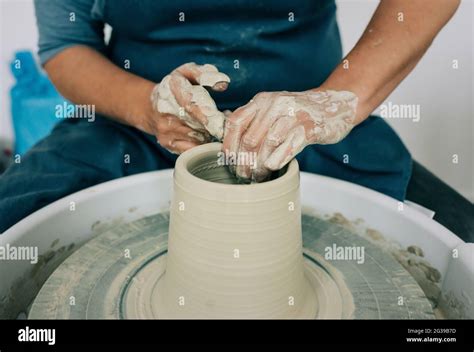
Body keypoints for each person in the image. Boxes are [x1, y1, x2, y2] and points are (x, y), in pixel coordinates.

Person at [0, 0, 471, 241]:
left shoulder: (318, 111)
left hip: (307, 121)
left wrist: (334, 102)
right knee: (15, 228)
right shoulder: (143, 110)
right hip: (139, 118)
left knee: (455, 248)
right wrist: (146, 106)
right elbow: (65, 45)